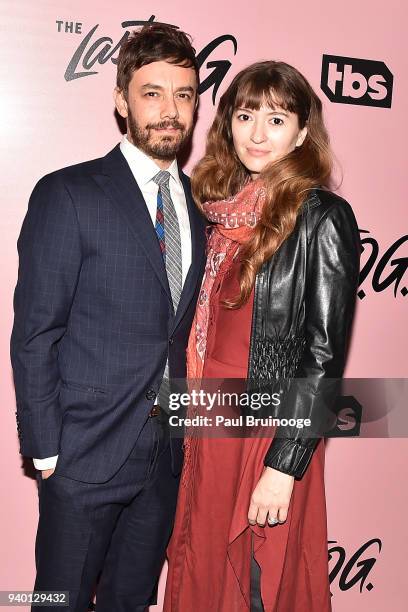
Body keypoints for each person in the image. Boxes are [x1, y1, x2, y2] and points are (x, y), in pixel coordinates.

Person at [10, 24, 206, 612]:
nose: (170, 110)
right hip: (82, 454)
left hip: (164, 457)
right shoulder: (68, 194)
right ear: (121, 100)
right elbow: (36, 333)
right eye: (153, 93)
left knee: (132, 602)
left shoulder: (199, 205)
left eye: (184, 94)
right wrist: (46, 450)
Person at [163, 61, 361, 611]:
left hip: (266, 428)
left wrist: (284, 463)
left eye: (276, 119)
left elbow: (323, 356)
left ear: (302, 132)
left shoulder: (321, 216)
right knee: (199, 568)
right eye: (246, 115)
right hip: (208, 424)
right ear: (227, 123)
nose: (257, 133)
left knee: (257, 580)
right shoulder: (214, 218)